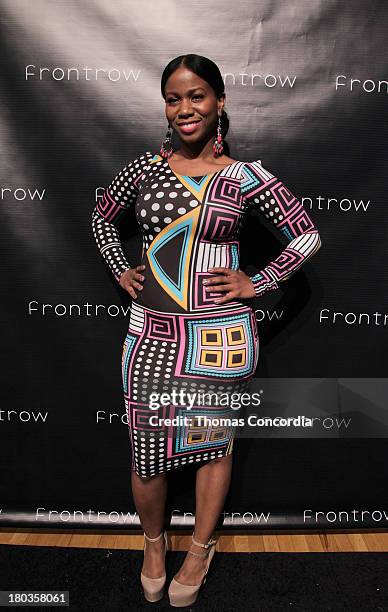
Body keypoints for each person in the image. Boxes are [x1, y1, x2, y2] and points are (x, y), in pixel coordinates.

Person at [91, 53, 322, 608]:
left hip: (220, 335)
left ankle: (199, 549)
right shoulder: (143, 170)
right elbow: (102, 217)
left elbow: (307, 235)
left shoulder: (244, 177)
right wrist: (121, 269)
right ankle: (153, 545)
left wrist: (258, 282)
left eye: (197, 96)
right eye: (174, 98)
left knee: (212, 446)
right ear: (165, 107)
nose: (185, 108)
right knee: (146, 452)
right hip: (152, 332)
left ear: (219, 103)